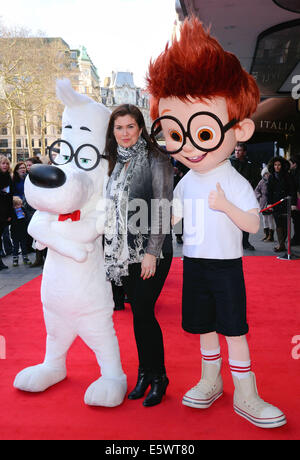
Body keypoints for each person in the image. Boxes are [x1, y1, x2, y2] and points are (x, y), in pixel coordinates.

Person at [147, 17, 286, 428]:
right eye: (175, 134)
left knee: (233, 329)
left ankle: (245, 390)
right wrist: (162, 218)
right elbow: (176, 215)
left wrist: (227, 207)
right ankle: (211, 379)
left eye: (202, 133)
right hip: (195, 264)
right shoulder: (187, 179)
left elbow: (255, 228)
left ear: (238, 129)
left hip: (226, 266)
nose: (187, 145)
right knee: (203, 327)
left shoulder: (234, 180)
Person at [104, 104, 173, 407]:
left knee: (144, 310)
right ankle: (145, 373)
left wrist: (151, 253)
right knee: (139, 315)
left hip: (150, 251)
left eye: (130, 126)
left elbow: (161, 207)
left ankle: (159, 377)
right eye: (119, 128)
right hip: (124, 253)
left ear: (141, 128)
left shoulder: (157, 159)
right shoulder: (115, 164)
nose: (124, 133)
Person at [231, 143, 261, 250]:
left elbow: (257, 177)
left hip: (245, 195)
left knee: (246, 219)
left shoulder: (250, 163)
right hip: (232, 196)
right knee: (232, 220)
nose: (237, 152)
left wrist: (249, 183)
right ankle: (233, 242)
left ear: (244, 152)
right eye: (235, 150)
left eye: (239, 150)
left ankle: (245, 242)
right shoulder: (230, 162)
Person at [267, 156, 294, 252]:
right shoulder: (271, 176)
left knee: (285, 225)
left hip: (286, 203)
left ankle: (282, 243)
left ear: (282, 166)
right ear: (273, 166)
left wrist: (293, 203)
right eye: (275, 165)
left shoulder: (287, 176)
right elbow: (269, 191)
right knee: (278, 224)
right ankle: (281, 244)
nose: (277, 167)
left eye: (279, 165)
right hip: (276, 203)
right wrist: (269, 203)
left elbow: (292, 190)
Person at [255, 166, 275, 241]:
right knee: (264, 219)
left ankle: (271, 236)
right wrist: (260, 196)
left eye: (268, 174)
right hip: (263, 203)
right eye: (266, 174)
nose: (267, 175)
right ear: (263, 174)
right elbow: (256, 190)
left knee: (270, 219)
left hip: (270, 203)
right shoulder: (261, 182)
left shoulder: (272, 181)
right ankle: (266, 234)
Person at [11, 196, 32, 266]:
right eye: (16, 205)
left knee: (24, 246)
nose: (18, 207)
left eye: (19, 205)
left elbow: (27, 220)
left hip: (23, 231)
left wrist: (25, 216)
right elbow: (11, 222)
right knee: (15, 246)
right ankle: (15, 259)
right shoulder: (12, 212)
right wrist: (13, 217)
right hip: (15, 232)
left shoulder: (23, 209)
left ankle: (25, 258)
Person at [0, 156, 13, 270]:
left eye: (7, 163)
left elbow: (9, 196)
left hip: (5, 211)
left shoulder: (8, 177)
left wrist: (9, 214)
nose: (5, 165)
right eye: (3, 163)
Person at [289, 154, 300, 245]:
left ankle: (297, 238)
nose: (290, 165)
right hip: (295, 199)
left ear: (295, 164)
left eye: (291, 163)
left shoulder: (296, 174)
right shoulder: (293, 173)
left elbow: (294, 188)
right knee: (296, 220)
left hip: (297, 200)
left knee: (296, 220)